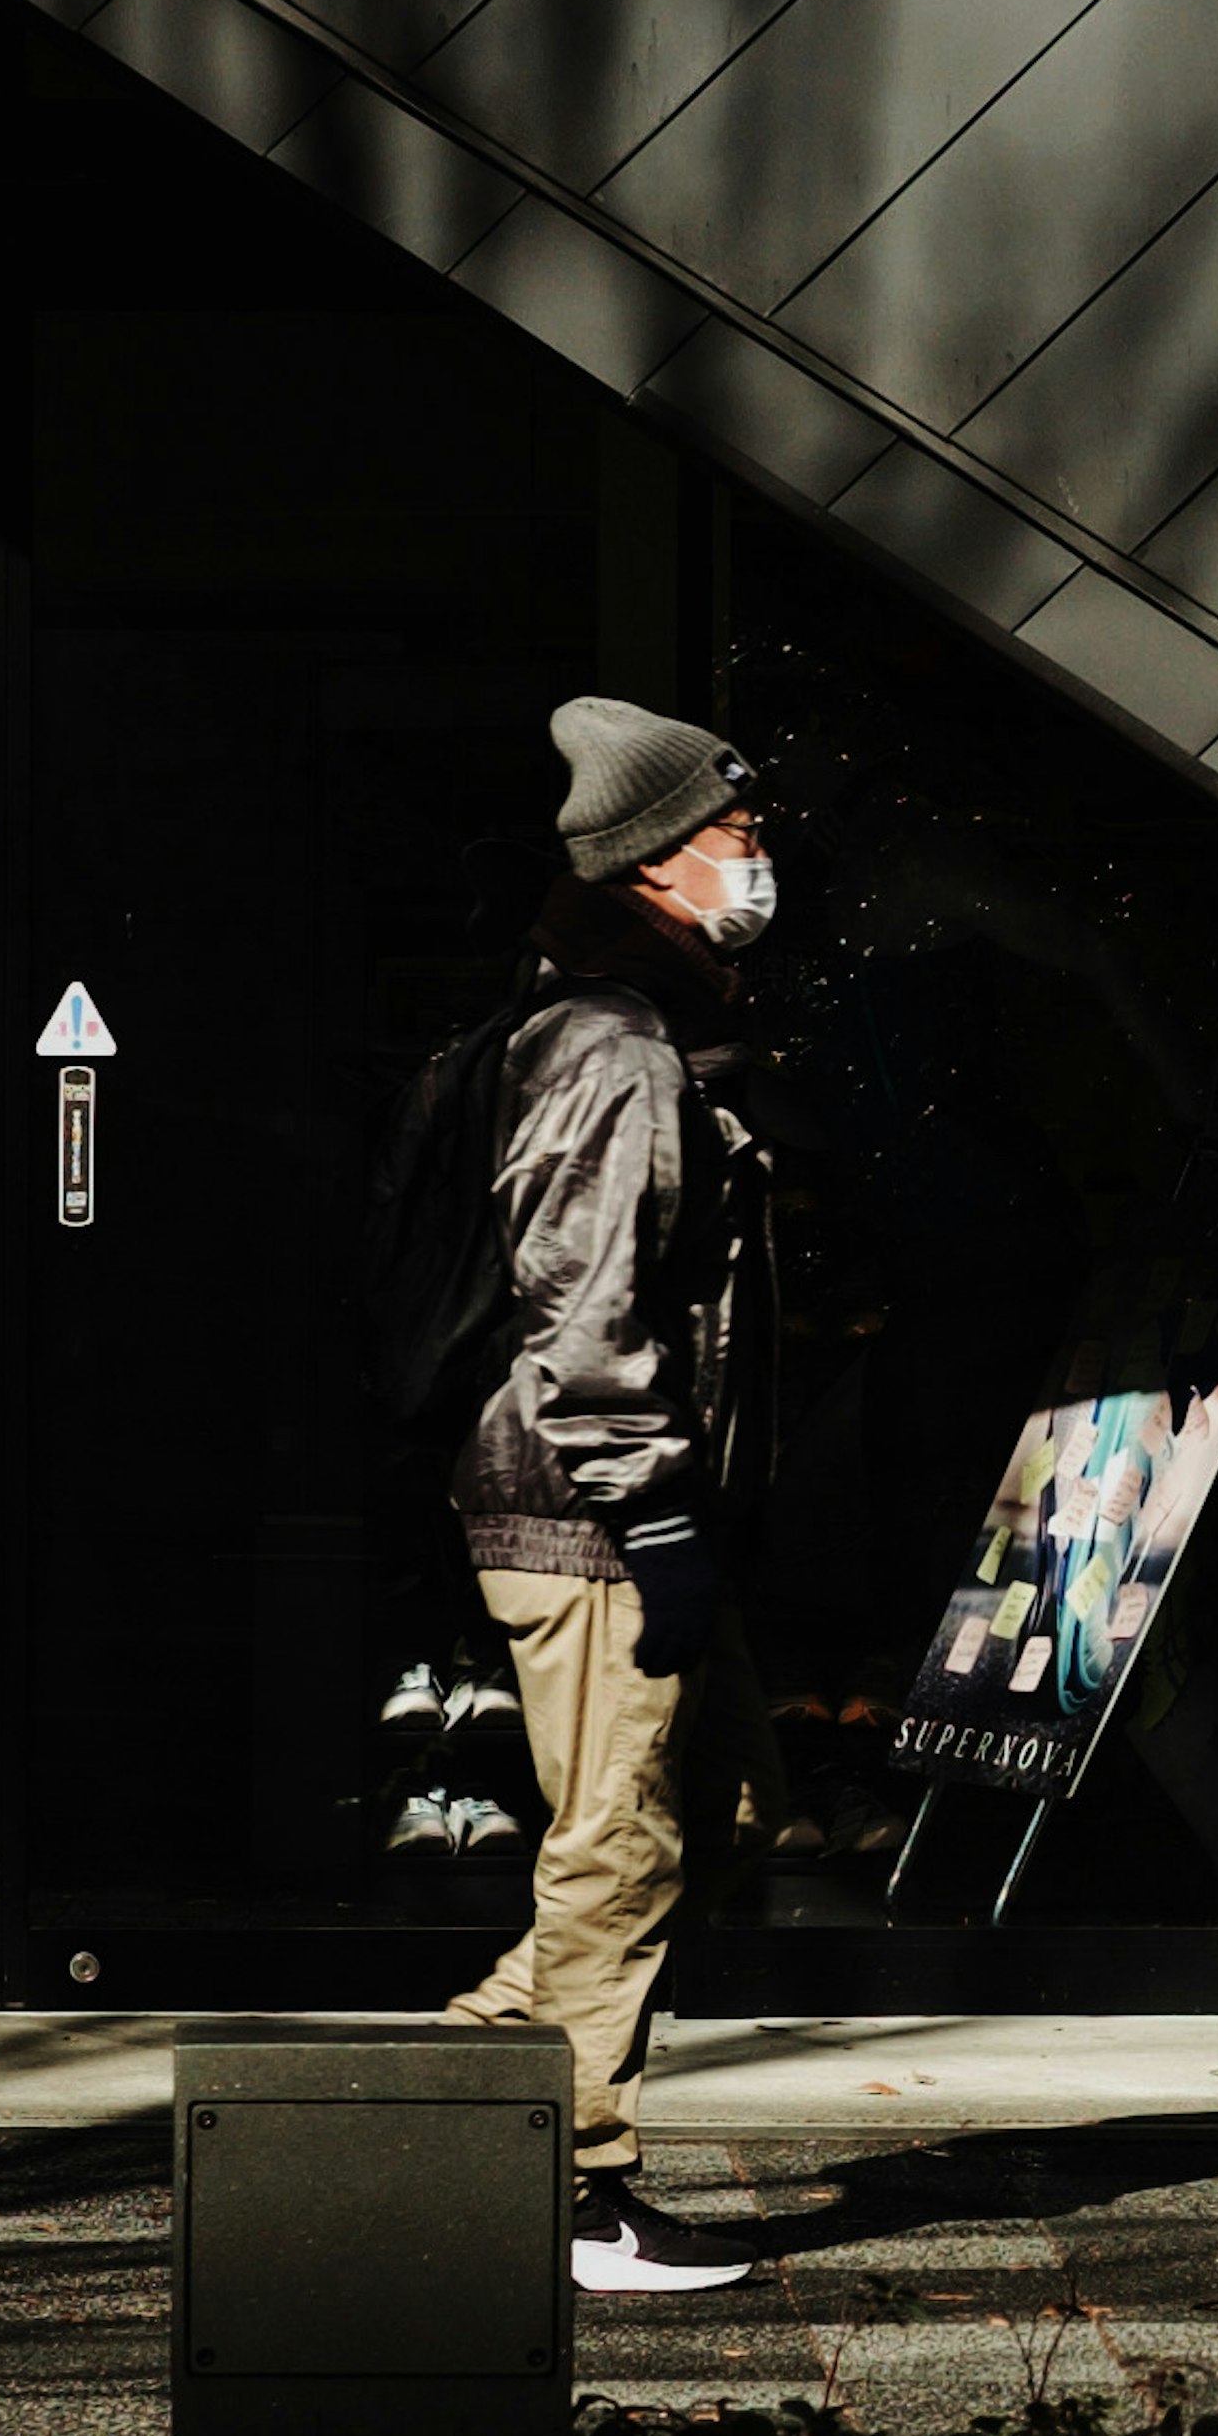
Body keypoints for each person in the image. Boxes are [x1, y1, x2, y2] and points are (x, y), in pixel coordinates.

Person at [440, 691, 782, 2296]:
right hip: (585, 1506)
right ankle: (575, 2194)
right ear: (655, 861)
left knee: (709, 1808)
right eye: (735, 832)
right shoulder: (612, 1043)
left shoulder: (646, 1022)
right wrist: (651, 1515)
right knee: (618, 1841)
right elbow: (581, 1311)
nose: (756, 858)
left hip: (625, 1502)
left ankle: (465, 2092)